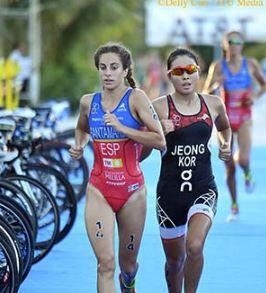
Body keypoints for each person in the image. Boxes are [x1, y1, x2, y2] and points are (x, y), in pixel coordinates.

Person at [69, 43, 166, 292]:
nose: (108, 73)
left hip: (132, 192)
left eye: (114, 67)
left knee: (127, 264)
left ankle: (129, 282)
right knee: (105, 263)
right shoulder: (88, 102)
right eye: (103, 68)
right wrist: (79, 145)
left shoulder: (136, 98)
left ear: (125, 71)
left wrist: (123, 129)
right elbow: (81, 127)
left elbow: (159, 140)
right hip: (99, 189)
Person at [141, 48, 232, 293]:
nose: (185, 76)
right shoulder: (157, 108)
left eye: (190, 70)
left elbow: (224, 127)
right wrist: (158, 132)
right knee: (174, 262)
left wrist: (226, 145)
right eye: (178, 71)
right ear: (169, 75)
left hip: (203, 189)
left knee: (194, 247)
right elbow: (139, 154)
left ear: (197, 72)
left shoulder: (212, 104)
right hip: (169, 197)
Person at [203, 31, 266, 222]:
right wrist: (216, 84)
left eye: (238, 41)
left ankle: (247, 173)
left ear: (242, 45)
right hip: (225, 120)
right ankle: (234, 205)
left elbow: (265, 85)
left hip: (244, 117)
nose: (235, 45)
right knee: (229, 164)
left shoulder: (251, 64)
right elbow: (205, 92)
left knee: (243, 159)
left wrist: (254, 97)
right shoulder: (218, 67)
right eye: (231, 41)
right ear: (225, 45)